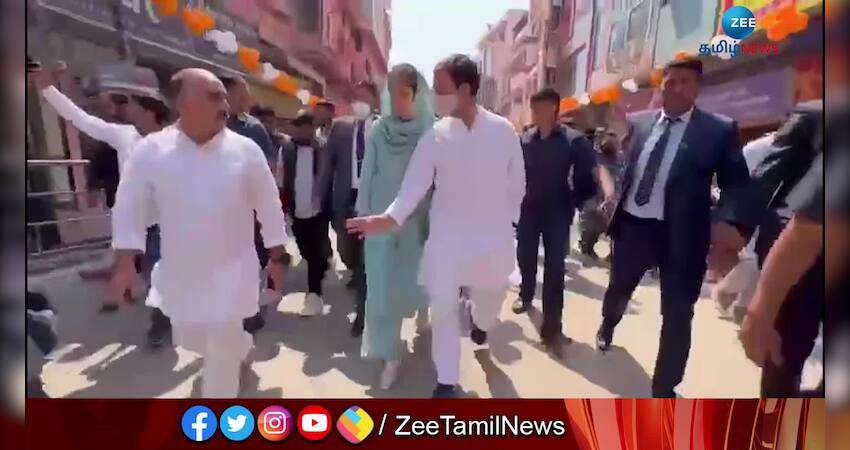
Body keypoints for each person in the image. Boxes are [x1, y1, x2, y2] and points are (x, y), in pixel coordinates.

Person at [347, 54, 525, 398]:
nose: (433, 95)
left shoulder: (503, 131)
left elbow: (517, 184)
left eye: (440, 88)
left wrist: (509, 224)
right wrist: (386, 219)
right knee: (442, 309)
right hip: (446, 239)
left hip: (492, 240)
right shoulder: (435, 136)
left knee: (488, 306)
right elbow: (412, 187)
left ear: (465, 89)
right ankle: (446, 381)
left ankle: (480, 323)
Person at [109, 68, 290, 398]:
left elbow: (269, 206)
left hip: (234, 273)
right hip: (182, 275)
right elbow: (128, 207)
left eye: (224, 97)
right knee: (194, 340)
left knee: (220, 366)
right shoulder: (150, 151)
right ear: (184, 104)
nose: (225, 104)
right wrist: (124, 264)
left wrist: (278, 257)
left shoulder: (246, 150)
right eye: (214, 97)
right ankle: (239, 347)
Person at [595, 58, 750, 398]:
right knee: (619, 288)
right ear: (661, 85)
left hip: (684, 236)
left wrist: (729, 223)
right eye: (671, 81)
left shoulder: (718, 131)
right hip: (634, 228)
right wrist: (614, 198)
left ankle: (664, 387)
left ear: (697, 88)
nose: (677, 87)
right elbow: (631, 168)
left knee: (678, 314)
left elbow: (737, 185)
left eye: (685, 81)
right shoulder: (640, 124)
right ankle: (608, 323)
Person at [33, 62, 173, 346]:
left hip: (166, 224)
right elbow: (82, 120)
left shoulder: (175, 142)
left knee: (157, 274)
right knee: (147, 273)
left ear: (150, 110)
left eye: (131, 104)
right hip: (133, 225)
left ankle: (162, 321)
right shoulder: (125, 136)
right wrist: (47, 89)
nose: (126, 109)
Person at [356, 64, 434, 389]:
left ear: (417, 95)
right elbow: (367, 177)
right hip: (380, 224)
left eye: (404, 94)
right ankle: (390, 356)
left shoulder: (431, 132)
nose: (398, 101)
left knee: (413, 283)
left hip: (417, 224)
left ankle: (422, 311)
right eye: (393, 94)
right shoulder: (379, 130)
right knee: (381, 290)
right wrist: (364, 217)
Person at [513, 88, 599, 356]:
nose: (533, 113)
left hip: (557, 213)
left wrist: (581, 199)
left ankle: (552, 328)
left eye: (538, 108)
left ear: (552, 108)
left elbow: (592, 172)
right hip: (528, 211)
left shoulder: (573, 141)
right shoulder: (526, 139)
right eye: (532, 108)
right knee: (525, 256)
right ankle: (526, 295)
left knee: (555, 269)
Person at [321, 81, 381, 334]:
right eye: (356, 97)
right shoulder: (340, 127)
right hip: (346, 199)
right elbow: (328, 164)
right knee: (346, 251)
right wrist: (322, 198)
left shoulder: (384, 128)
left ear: (375, 101)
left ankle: (363, 312)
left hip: (374, 201)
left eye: (365, 97)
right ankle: (356, 273)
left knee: (368, 259)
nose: (360, 102)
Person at [221, 74, 278, 334]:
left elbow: (270, 167)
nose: (246, 99)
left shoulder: (253, 129)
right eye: (241, 94)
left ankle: (251, 310)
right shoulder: (206, 125)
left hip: (248, 208)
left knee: (251, 258)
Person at [278, 110, 332, 316]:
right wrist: (283, 205)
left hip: (318, 210)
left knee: (315, 252)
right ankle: (319, 265)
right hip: (296, 209)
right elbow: (281, 177)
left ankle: (314, 295)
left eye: (308, 127)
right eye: (300, 127)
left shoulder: (322, 148)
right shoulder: (287, 149)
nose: (304, 131)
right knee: (306, 251)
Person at [577, 128, 622, 264]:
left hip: (614, 204)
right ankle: (586, 247)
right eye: (606, 136)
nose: (609, 139)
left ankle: (614, 255)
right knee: (589, 231)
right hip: (593, 202)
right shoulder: (592, 157)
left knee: (619, 235)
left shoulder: (623, 159)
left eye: (613, 136)